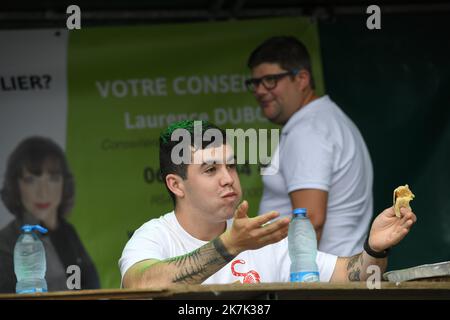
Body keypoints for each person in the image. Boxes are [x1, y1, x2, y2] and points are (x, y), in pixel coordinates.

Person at [119, 120, 416, 288]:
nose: (228, 179)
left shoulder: (260, 235)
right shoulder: (154, 236)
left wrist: (374, 248)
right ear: (176, 185)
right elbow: (139, 284)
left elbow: (348, 275)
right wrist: (228, 246)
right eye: (211, 170)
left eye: (231, 166)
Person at [245, 36, 374, 256]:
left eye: (270, 80)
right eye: (255, 83)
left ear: (302, 79)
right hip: (335, 276)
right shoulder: (326, 119)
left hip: (320, 283)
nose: (259, 90)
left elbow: (311, 222)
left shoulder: (308, 130)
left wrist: (298, 287)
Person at [0, 136, 100, 293]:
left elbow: (92, 285)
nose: (43, 192)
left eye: (53, 179)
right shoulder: (5, 241)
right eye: (30, 180)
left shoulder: (67, 231)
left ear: (64, 184)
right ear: (15, 185)